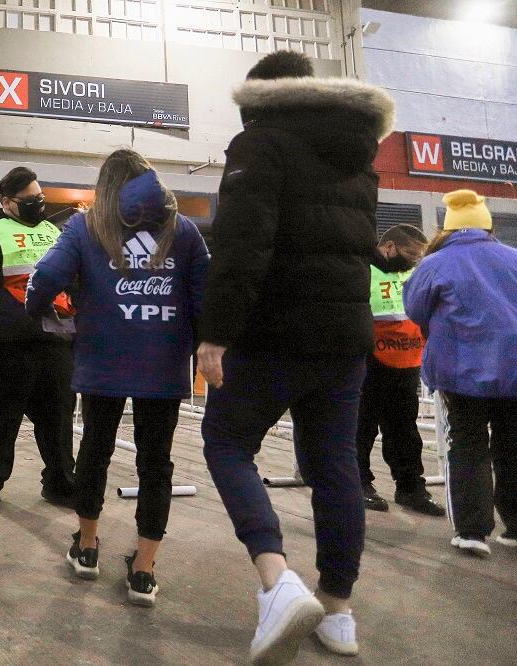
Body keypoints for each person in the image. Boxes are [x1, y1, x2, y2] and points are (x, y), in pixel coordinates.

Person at [196, 51, 395, 663]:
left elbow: (241, 243)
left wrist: (215, 335)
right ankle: (338, 613)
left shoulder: (260, 144)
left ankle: (277, 582)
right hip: (343, 337)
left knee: (226, 441)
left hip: (272, 332)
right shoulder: (360, 157)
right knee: (333, 463)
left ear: (261, 97)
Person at [26, 150, 208, 607]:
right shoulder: (182, 230)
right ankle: (143, 570)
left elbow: (45, 274)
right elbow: (207, 294)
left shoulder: (87, 227)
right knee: (156, 462)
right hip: (163, 364)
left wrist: (38, 309)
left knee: (95, 449)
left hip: (102, 358)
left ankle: (87, 547)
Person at [0, 167, 77, 512]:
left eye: (40, 197)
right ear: (7, 202)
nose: (39, 203)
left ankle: (61, 484)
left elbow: (74, 282)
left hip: (54, 342)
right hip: (2, 345)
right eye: (30, 200)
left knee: (58, 421)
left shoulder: (54, 231)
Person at [403, 190, 517, 558]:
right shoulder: (514, 258)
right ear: (487, 224)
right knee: (513, 446)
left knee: (467, 444)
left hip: (461, 370)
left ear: (448, 228)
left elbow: (415, 309)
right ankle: (514, 528)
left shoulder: (435, 263)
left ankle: (471, 532)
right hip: (514, 370)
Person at [357, 225, 445, 516]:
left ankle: (410, 488)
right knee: (361, 426)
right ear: (389, 247)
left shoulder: (413, 272)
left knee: (404, 430)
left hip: (407, 361)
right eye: (409, 255)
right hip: (369, 360)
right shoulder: (364, 270)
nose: (413, 261)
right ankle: (359, 483)